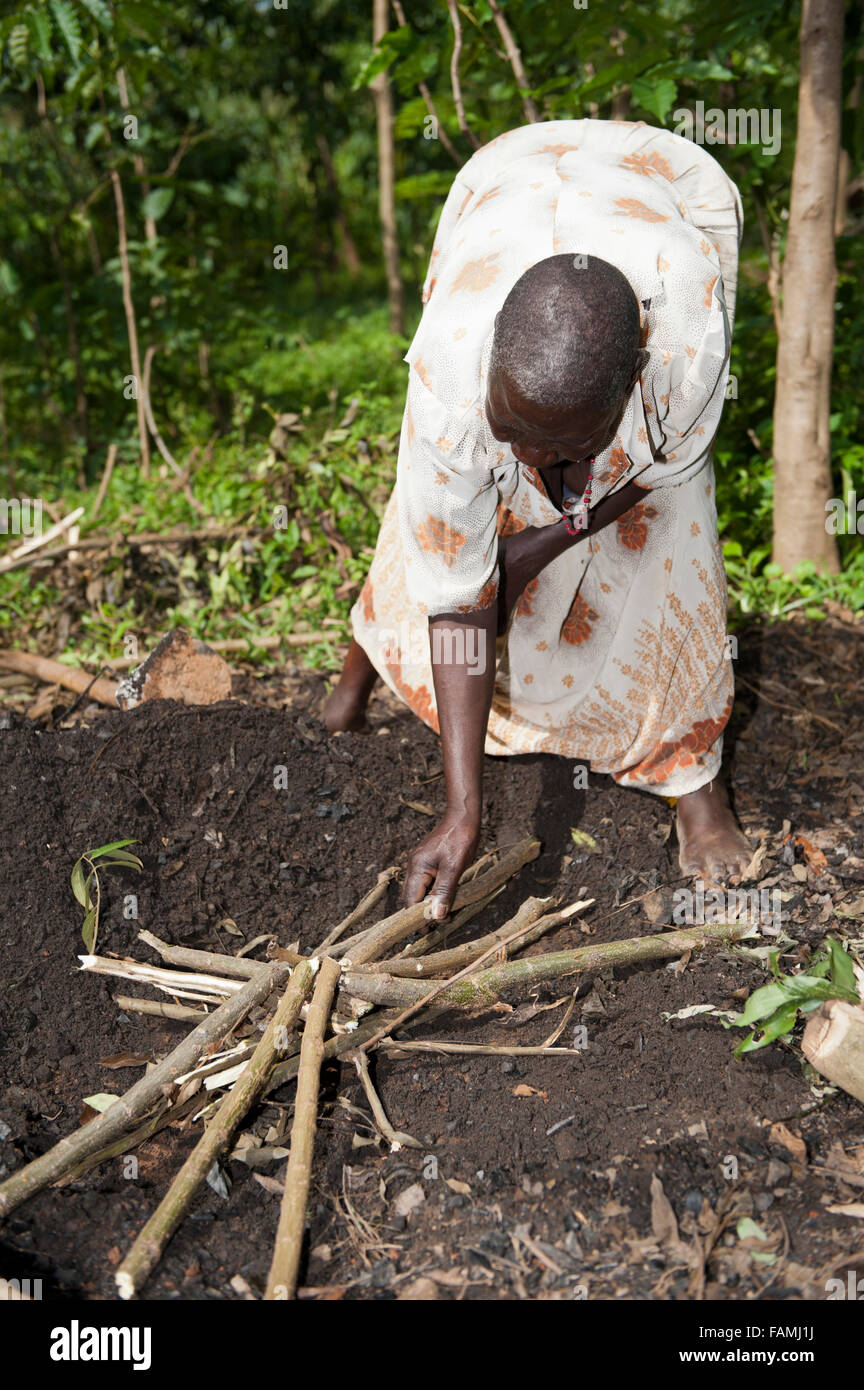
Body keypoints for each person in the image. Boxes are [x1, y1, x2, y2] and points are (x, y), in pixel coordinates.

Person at [325, 118, 752, 919]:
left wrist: (534, 548)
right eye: (513, 429)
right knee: (435, 527)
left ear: (631, 383)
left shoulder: (687, 344)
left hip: (663, 186)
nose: (532, 460)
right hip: (503, 188)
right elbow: (457, 594)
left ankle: (695, 784)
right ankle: (356, 678)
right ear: (489, 371)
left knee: (674, 540)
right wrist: (465, 809)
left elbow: (666, 466)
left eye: (568, 443)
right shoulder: (449, 385)